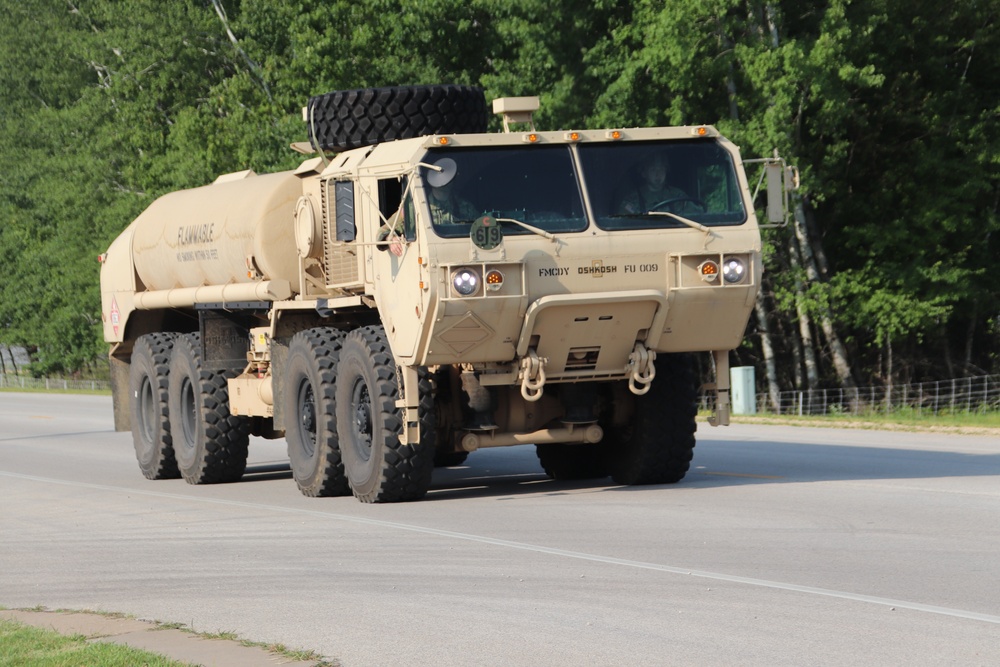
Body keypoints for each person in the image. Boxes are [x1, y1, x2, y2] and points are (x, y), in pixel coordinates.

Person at [618, 155, 696, 214]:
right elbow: (624, 224)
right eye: (653, 170)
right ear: (644, 173)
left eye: (661, 169)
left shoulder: (678, 195)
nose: (658, 174)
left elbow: (696, 215)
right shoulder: (633, 199)